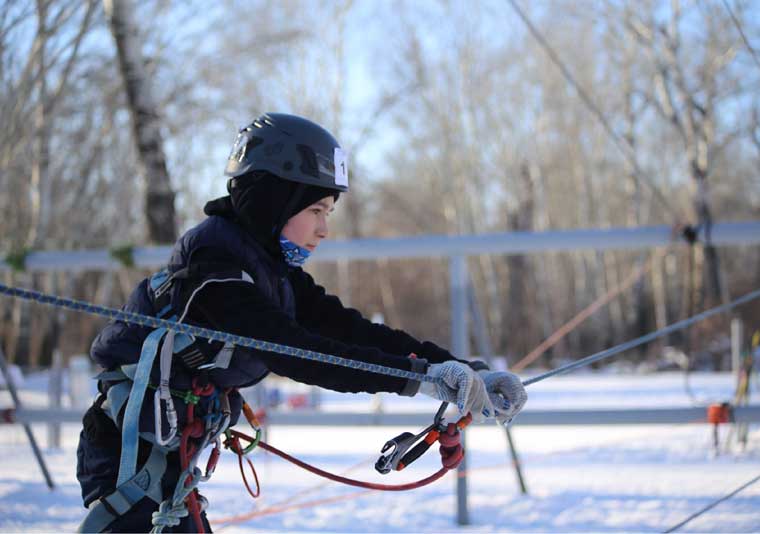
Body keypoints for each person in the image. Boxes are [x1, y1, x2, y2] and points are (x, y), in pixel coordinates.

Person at [76, 113, 527, 532]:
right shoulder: (214, 266)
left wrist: (461, 369)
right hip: (129, 458)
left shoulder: (271, 271)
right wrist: (422, 379)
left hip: (168, 460)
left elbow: (350, 330)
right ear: (275, 201)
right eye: (317, 211)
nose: (324, 229)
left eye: (327, 213)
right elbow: (299, 353)